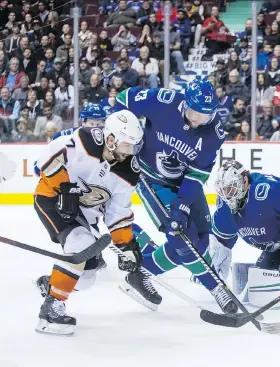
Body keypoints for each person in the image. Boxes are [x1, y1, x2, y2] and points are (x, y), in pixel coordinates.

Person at [113, 80, 237, 314]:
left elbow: (197, 174)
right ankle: (217, 288)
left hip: (184, 182)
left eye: (206, 114)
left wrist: (181, 206)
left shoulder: (214, 132)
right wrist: (125, 136)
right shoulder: (162, 101)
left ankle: (144, 271)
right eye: (196, 112)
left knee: (200, 237)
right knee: (181, 234)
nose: (200, 119)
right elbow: (123, 99)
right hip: (152, 179)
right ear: (185, 103)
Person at [33, 110, 145, 335]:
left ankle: (53, 284)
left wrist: (127, 246)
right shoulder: (86, 140)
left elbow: (117, 212)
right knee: (80, 242)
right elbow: (46, 157)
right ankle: (50, 311)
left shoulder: (128, 173)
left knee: (87, 277)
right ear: (111, 139)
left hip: (84, 216)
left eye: (134, 145)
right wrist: (63, 187)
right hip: (52, 199)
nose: (131, 151)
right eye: (127, 144)